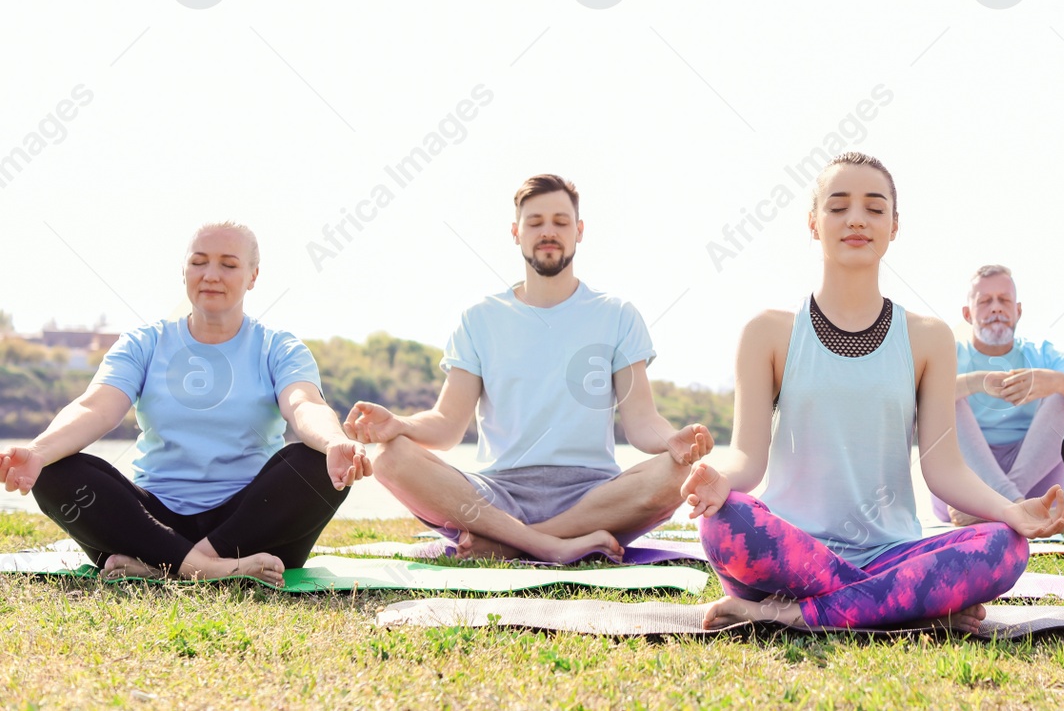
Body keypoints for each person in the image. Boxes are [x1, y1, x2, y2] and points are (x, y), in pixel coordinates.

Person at [678, 152, 1064, 633]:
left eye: (874, 207)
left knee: (1005, 547)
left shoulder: (928, 337)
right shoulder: (768, 332)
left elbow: (944, 469)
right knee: (724, 522)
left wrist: (1012, 512)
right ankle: (901, 601)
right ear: (813, 223)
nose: (857, 219)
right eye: (838, 207)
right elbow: (746, 458)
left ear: (894, 225)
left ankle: (792, 613)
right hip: (790, 552)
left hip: (889, 550)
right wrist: (720, 479)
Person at [348, 174, 713, 563]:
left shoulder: (617, 315)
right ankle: (547, 544)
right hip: (497, 496)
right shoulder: (479, 318)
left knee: (675, 474)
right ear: (515, 232)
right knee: (391, 458)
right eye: (535, 223)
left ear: (580, 230)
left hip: (592, 496)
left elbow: (643, 420)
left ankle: (511, 543)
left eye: (560, 221)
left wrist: (673, 440)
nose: (548, 232)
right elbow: (447, 423)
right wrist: (401, 425)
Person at [0, 222, 367, 586]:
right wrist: (38, 451)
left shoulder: (279, 348)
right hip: (151, 525)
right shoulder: (144, 343)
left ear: (253, 276)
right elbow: (96, 407)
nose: (211, 275)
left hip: (251, 526)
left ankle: (167, 566)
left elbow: (304, 404)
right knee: (53, 469)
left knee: (319, 462)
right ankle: (208, 569)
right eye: (199, 262)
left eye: (228, 264)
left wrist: (334, 441)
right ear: (184, 270)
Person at [934, 264, 1064, 526]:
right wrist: (976, 382)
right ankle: (1014, 505)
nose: (996, 308)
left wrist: (1055, 381)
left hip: (1032, 484)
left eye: (1004, 300)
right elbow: (912, 400)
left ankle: (1004, 504)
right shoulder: (949, 355)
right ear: (968, 314)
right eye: (985, 301)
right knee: (941, 397)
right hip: (965, 484)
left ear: (1018, 310)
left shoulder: (1042, 353)